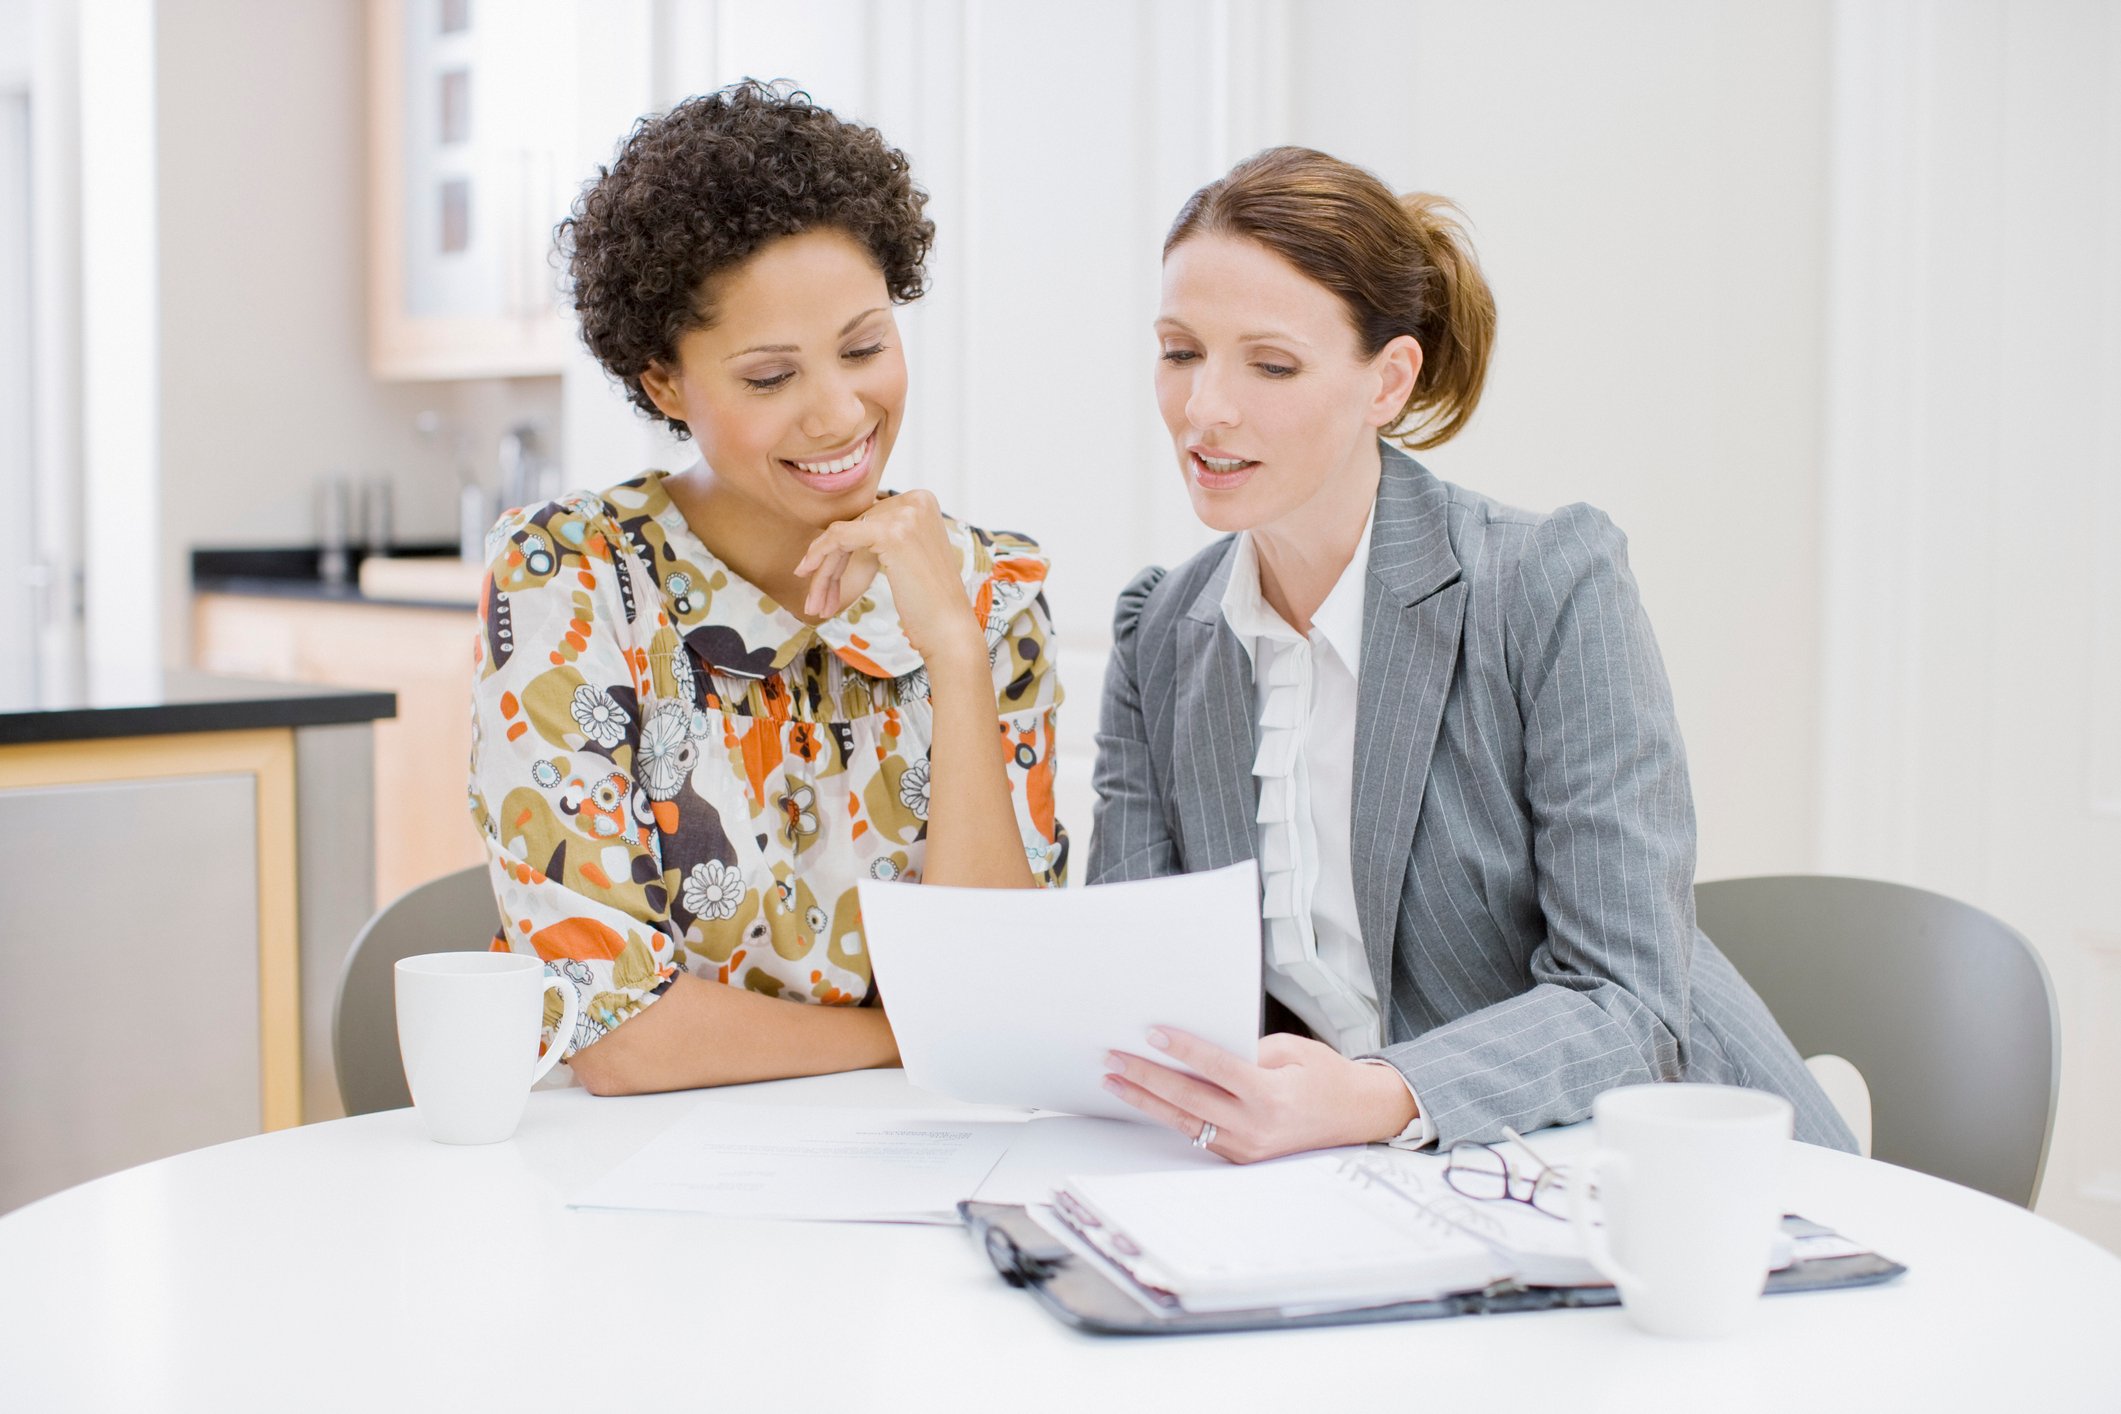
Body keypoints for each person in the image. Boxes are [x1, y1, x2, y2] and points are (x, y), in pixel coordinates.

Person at [1091, 146, 1856, 1160]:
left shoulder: (1547, 584)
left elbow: (1627, 1002)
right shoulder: (1160, 634)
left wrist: (1371, 1096)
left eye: (1269, 364)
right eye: (1181, 351)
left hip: (1663, 1175)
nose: (1205, 409)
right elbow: (1139, 989)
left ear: (1387, 380)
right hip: (1385, 1192)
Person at [469, 81, 1065, 1096]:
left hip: (926, 1168)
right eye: (769, 378)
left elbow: (1009, 990)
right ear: (665, 382)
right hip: (645, 1184)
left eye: (865, 347)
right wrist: (911, 1033)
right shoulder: (571, 578)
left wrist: (956, 658)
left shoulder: (990, 589)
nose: (839, 414)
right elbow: (616, 1035)